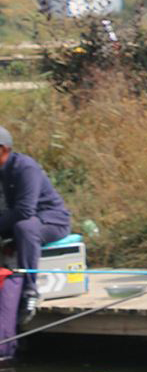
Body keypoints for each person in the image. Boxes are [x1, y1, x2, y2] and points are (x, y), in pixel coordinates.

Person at [0, 126, 73, 331]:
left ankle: (30, 290)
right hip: (16, 223)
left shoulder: (25, 168)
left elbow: (24, 211)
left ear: (3, 150)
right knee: (20, 227)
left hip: (51, 221)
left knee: (25, 227)